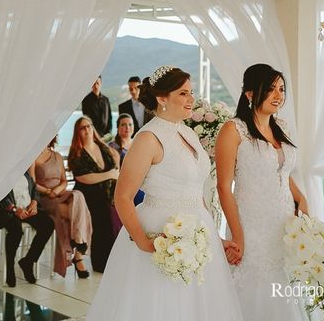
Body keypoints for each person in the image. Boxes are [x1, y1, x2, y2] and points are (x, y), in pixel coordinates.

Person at [87, 66, 243, 320]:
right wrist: (142, 240)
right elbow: (123, 196)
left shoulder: (188, 132)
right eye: (183, 94)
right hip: (161, 233)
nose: (191, 99)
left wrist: (214, 237)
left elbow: (196, 193)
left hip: (197, 233)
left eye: (191, 93)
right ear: (162, 98)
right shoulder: (148, 138)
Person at [215, 63, 309, 320]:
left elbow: (282, 172)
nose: (279, 95)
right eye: (270, 89)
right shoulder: (233, 130)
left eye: (281, 89)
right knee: (254, 291)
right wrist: (238, 236)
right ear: (249, 94)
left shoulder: (283, 127)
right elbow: (224, 187)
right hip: (250, 225)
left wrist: (300, 197)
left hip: (283, 222)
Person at [31, 136, 92, 278]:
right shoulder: (32, 156)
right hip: (43, 197)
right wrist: (47, 191)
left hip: (59, 192)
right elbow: (31, 183)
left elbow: (64, 180)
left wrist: (57, 190)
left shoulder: (57, 156)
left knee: (78, 195)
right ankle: (79, 252)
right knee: (80, 213)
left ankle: (76, 241)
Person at [67, 116, 120, 273]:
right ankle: (100, 263)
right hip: (87, 195)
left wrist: (114, 167)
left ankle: (114, 260)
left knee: (114, 214)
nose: (87, 130)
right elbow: (82, 177)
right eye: (83, 128)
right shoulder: (77, 152)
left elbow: (115, 160)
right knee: (104, 216)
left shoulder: (102, 147)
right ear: (77, 132)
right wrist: (110, 174)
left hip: (107, 194)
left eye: (89, 126)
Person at [0, 170, 55, 287]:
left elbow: (34, 189)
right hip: (4, 211)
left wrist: (34, 202)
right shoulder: (1, 172)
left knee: (48, 224)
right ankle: (10, 270)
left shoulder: (24, 171)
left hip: (25, 209)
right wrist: (14, 209)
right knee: (16, 230)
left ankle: (28, 261)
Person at [109, 114, 144, 205]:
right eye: (123, 125)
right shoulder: (112, 147)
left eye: (130, 124)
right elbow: (114, 172)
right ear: (117, 127)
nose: (127, 127)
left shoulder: (138, 143)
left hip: (141, 182)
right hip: (124, 185)